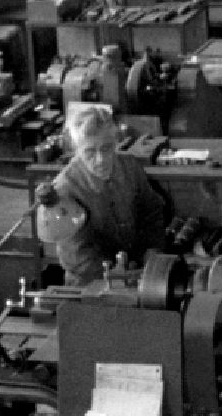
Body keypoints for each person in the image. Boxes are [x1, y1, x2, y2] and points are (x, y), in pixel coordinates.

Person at [50, 105, 168, 285]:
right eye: (90, 152)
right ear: (77, 150)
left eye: (106, 148)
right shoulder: (65, 189)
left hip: (137, 275)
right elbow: (76, 255)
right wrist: (119, 277)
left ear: (115, 142)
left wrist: (152, 250)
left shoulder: (130, 167)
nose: (101, 160)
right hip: (90, 284)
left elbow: (151, 211)